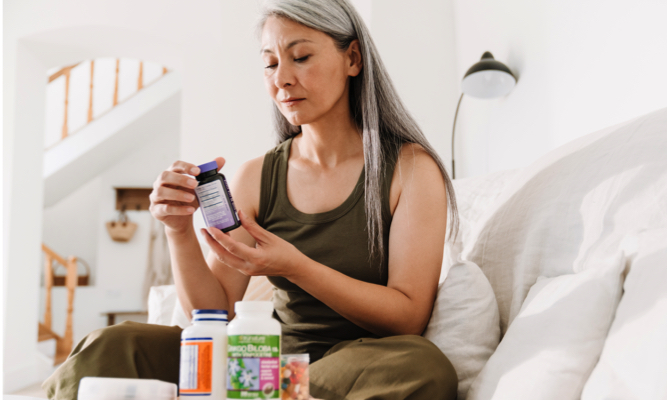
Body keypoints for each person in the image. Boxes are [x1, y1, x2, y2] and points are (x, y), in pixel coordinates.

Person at [43, 1, 460, 399]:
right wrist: (178, 230)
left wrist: (296, 267)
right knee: (111, 346)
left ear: (353, 59)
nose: (282, 79)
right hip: (256, 364)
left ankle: (271, 393)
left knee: (423, 366)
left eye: (300, 57)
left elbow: (407, 316)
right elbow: (216, 313)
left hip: (354, 366)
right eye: (270, 63)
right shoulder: (257, 176)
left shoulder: (410, 169)